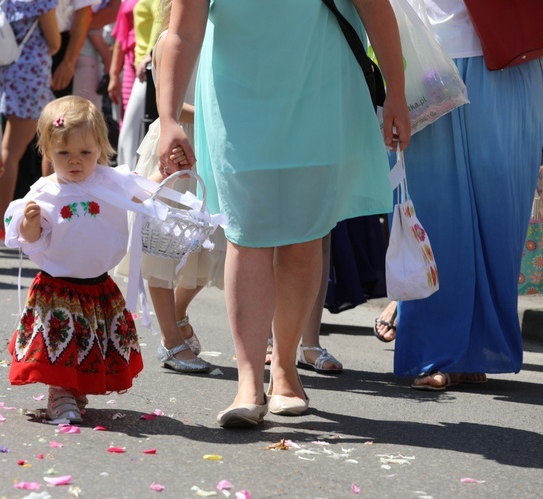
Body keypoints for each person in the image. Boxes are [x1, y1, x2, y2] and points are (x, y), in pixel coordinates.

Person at [158, 0, 410, 428]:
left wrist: (397, 92)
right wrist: (167, 118)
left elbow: (373, 7)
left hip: (319, 91)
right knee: (246, 234)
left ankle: (286, 369)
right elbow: (182, 32)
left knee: (303, 238)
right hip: (237, 103)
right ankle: (248, 381)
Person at [379, 0, 543, 390]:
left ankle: (477, 346)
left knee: (500, 210)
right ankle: (435, 350)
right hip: (424, 59)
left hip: (508, 59)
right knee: (434, 207)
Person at [4, 96, 144, 424]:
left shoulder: (110, 182)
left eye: (86, 153)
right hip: (58, 287)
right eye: (63, 154)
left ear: (101, 148)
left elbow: (144, 193)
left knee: (86, 343)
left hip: (97, 284)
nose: (75, 162)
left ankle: (73, 390)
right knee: (59, 346)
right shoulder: (45, 192)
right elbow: (30, 239)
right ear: (48, 152)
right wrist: (31, 222)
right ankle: (59, 394)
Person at [116, 0, 224, 374]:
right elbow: (172, 104)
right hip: (175, 148)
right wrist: (217, 109)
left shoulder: (219, 39)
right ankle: (170, 339)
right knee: (162, 245)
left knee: (209, 247)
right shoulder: (168, 42)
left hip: (207, 150)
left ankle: (177, 315)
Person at [0, 0, 61, 247]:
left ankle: (0, 223)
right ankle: (4, 224)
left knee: (34, 144)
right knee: (47, 143)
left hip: (8, 71)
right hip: (31, 74)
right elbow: (54, 42)